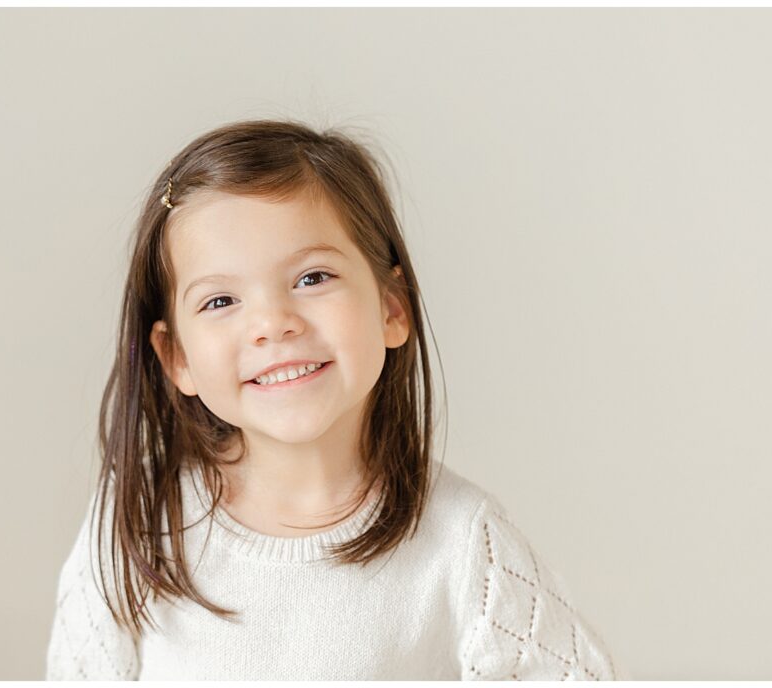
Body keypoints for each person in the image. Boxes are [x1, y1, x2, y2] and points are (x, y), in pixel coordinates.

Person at [44, 119, 629, 680]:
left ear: (391, 307)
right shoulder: (140, 518)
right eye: (220, 302)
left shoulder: (461, 543)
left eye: (312, 278)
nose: (272, 324)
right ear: (178, 358)